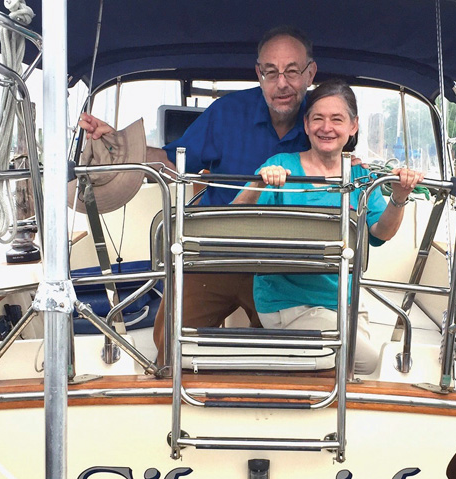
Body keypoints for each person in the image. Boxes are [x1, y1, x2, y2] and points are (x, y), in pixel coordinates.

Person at [77, 26, 318, 363]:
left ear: (310, 73)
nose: (282, 83)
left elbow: (339, 168)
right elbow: (175, 164)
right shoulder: (226, 112)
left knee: (297, 358)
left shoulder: (321, 121)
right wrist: (119, 146)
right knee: (170, 346)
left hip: (285, 263)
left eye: (292, 71)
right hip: (216, 253)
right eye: (271, 71)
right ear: (258, 73)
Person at [233, 79, 424, 374]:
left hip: (347, 302)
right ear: (306, 125)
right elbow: (233, 221)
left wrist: (399, 196)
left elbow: (380, 233)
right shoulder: (280, 166)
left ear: (353, 126)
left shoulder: (360, 175)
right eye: (318, 118)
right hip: (289, 303)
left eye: (337, 119)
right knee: (375, 366)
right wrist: (259, 182)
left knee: (350, 372)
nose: (327, 128)